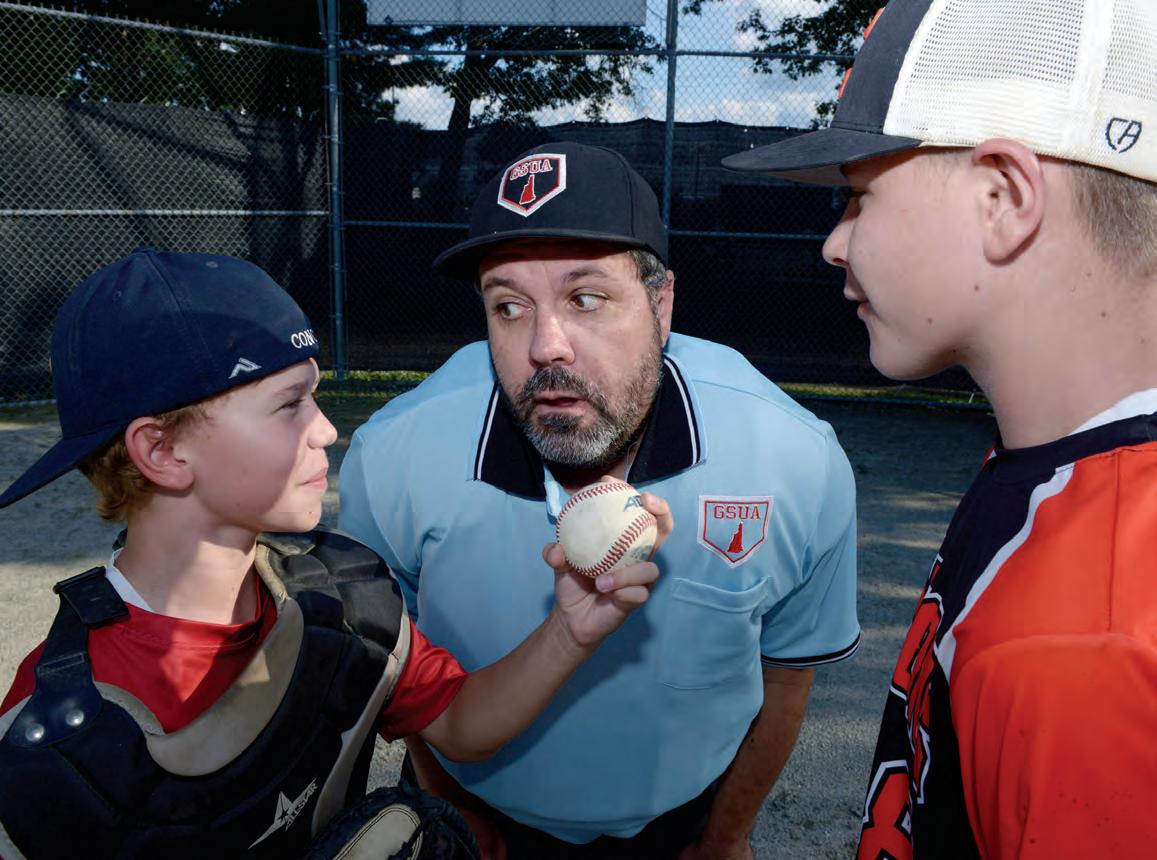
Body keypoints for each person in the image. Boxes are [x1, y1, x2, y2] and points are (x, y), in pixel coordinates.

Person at [0, 247, 667, 859]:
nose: (324, 429)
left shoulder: (344, 592)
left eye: (314, 395)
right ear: (162, 450)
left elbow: (462, 725)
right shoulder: (61, 735)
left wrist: (569, 631)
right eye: (289, 404)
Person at [339, 141, 860, 859]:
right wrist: (452, 808)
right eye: (508, 306)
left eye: (585, 298)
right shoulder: (396, 455)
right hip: (475, 816)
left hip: (681, 827)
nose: (545, 345)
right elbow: (401, 663)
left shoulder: (791, 457)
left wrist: (725, 836)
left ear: (660, 304)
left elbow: (788, 668)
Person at [723, 0, 1157, 856]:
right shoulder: (1059, 466)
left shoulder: (1087, 640)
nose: (834, 244)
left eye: (858, 196)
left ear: (1001, 198)